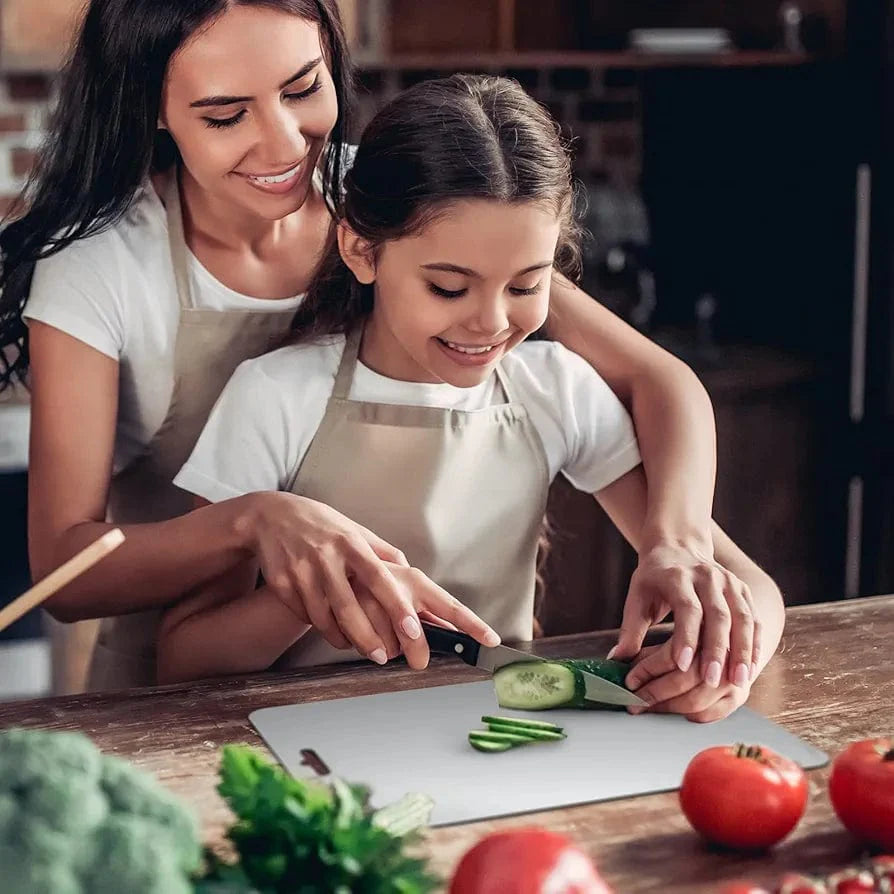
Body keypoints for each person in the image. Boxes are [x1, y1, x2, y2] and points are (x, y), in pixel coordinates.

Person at [0, 0, 757, 692]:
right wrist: (255, 523)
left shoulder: (393, 203)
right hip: (169, 678)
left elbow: (656, 378)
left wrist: (681, 539)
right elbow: (66, 574)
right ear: (153, 111)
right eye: (226, 114)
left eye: (303, 89)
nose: (284, 142)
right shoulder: (103, 266)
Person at [160, 74, 784, 723]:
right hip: (307, 742)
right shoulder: (276, 397)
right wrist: (309, 594)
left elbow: (752, 587)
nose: (489, 323)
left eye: (524, 287)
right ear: (361, 249)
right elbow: (184, 659)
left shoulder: (555, 389)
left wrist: (728, 660)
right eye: (449, 288)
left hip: (499, 735)